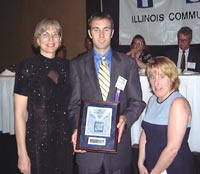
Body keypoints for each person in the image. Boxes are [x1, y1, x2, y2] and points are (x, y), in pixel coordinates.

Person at [69, 12, 146, 174]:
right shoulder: (76, 65)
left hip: (119, 148)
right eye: (96, 30)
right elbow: (74, 105)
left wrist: (126, 118)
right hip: (88, 151)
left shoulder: (128, 64)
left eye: (106, 30)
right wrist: (77, 128)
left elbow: (137, 102)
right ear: (90, 33)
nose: (101, 35)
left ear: (112, 32)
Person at [14, 18, 74, 174]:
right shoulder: (26, 67)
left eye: (55, 34)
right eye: (45, 34)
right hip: (37, 142)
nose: (51, 38)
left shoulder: (68, 67)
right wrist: (22, 154)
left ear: (60, 39)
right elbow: (19, 114)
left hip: (64, 142)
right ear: (37, 39)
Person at [138, 57, 195, 174]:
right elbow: (145, 134)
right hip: (153, 167)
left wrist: (154, 172)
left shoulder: (178, 103)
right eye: (152, 77)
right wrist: (140, 163)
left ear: (172, 78)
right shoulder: (152, 100)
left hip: (174, 167)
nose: (156, 83)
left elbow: (173, 149)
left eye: (162, 77)